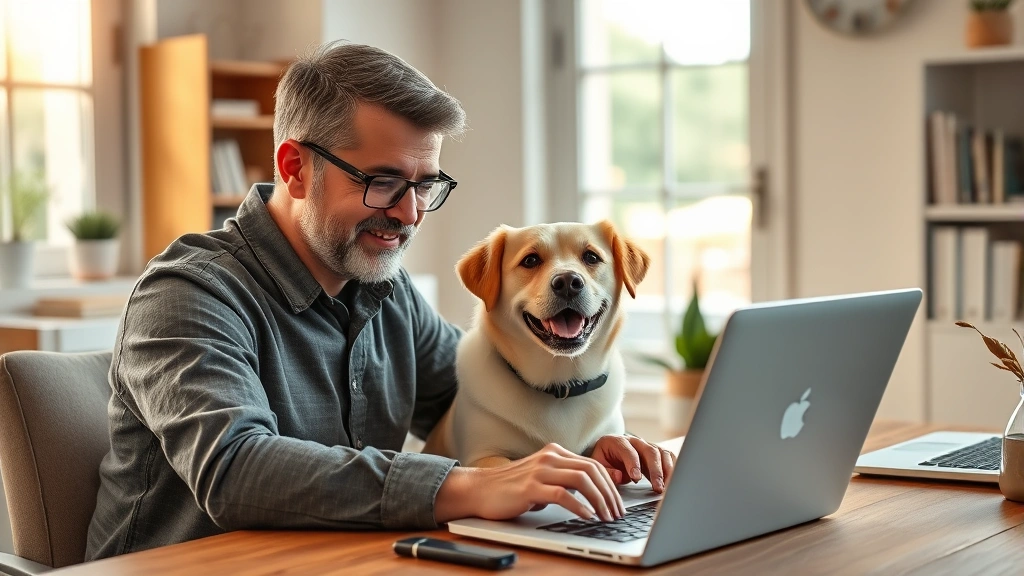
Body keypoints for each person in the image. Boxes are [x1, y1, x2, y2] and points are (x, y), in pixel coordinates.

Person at [85, 40, 676, 560]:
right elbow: (237, 470)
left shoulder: (386, 293)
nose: (410, 214)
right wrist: (471, 487)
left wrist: (588, 444)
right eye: (384, 181)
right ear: (296, 168)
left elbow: (489, 396)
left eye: (426, 185)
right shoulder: (188, 295)